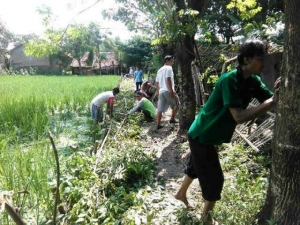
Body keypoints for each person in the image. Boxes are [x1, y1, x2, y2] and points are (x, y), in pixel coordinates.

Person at [174, 39, 281, 224]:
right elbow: (238, 116)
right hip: (202, 134)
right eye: (260, 59)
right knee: (215, 180)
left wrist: (277, 95)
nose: (264, 63)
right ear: (246, 60)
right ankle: (206, 218)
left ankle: (181, 193)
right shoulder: (229, 80)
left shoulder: (253, 81)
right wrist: (272, 102)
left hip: (209, 133)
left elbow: (270, 98)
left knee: (196, 166)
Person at [155, 55, 179, 130]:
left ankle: (158, 124)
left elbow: (157, 82)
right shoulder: (169, 68)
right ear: (167, 61)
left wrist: (158, 92)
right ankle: (172, 119)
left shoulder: (160, 70)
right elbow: (168, 79)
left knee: (160, 108)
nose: (173, 62)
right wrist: (171, 91)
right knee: (177, 104)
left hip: (161, 91)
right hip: (167, 90)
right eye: (172, 60)